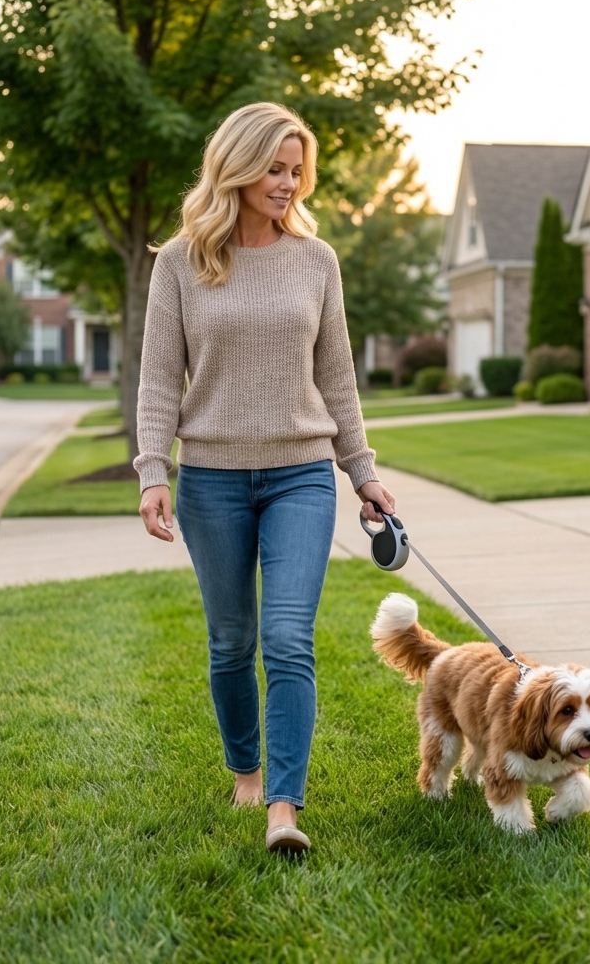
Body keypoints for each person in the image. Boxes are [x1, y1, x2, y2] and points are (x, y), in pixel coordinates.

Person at [134, 102, 396, 855]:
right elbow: (158, 380)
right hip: (211, 479)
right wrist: (155, 471)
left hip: (301, 476)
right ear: (238, 168)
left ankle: (284, 806)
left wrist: (363, 472)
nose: (288, 183)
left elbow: (337, 377)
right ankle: (244, 770)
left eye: (295, 170)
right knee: (230, 640)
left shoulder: (317, 261)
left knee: (286, 638)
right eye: (275, 169)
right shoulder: (179, 263)